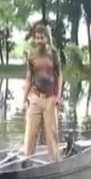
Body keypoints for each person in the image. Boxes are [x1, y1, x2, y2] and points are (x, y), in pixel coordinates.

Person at [22, 22, 63, 162]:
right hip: (35, 97)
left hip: (50, 99)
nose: (39, 41)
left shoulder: (53, 53)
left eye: (42, 38)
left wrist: (58, 97)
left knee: (51, 135)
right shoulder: (31, 55)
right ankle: (27, 163)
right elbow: (28, 79)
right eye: (37, 38)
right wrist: (23, 99)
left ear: (47, 38)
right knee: (30, 134)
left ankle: (55, 163)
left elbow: (59, 76)